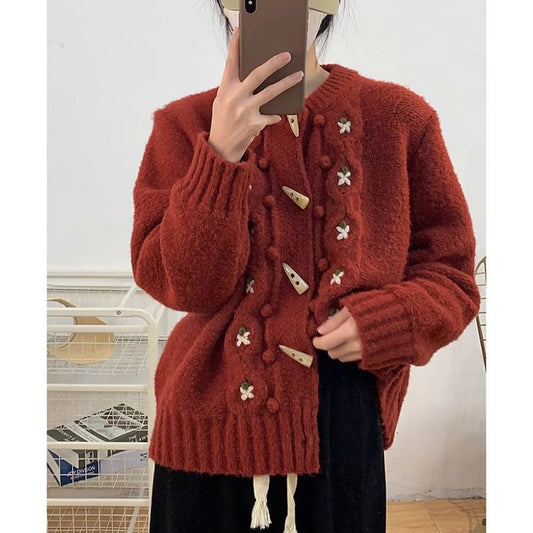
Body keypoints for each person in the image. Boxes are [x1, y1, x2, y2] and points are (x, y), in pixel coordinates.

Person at [130, 1, 481, 531]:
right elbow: (184, 285)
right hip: (206, 428)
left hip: (341, 427)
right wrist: (220, 154)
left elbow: (451, 276)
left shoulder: (401, 119)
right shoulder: (184, 126)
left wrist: (387, 320)